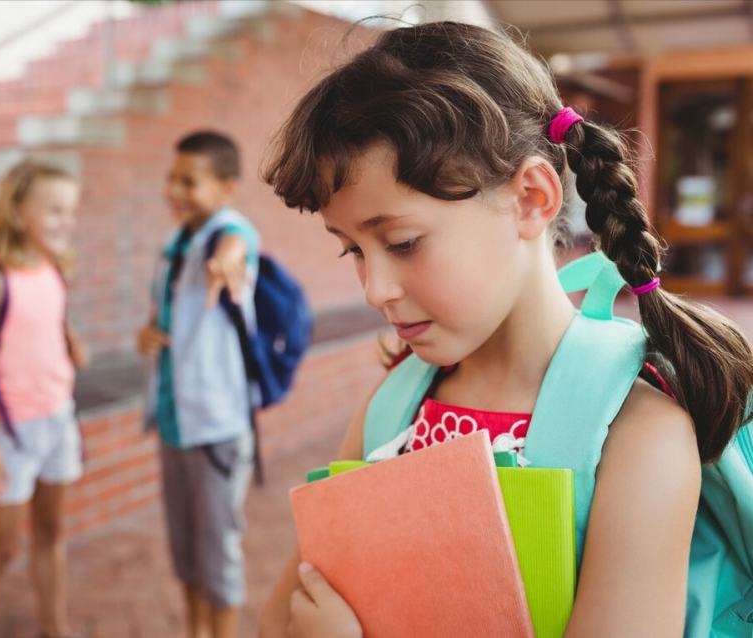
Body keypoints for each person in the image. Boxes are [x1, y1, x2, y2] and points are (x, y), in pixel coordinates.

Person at [257, 21, 753, 638]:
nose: (374, 289)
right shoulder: (394, 407)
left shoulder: (638, 436)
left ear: (532, 198)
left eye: (403, 242)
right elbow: (279, 615)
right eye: (352, 250)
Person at [137, 131, 260, 638]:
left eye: (190, 181)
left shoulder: (230, 231)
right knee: (185, 552)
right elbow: (164, 314)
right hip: (172, 424)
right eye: (172, 177)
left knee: (218, 556)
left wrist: (227, 263)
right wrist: (148, 333)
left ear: (228, 186)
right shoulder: (176, 240)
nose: (176, 189)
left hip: (215, 428)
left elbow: (238, 247)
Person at [0, 161, 89, 638]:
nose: (65, 221)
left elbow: (50, 319)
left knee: (51, 534)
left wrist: (71, 341)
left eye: (70, 211)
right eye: (54, 210)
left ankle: (54, 629)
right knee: (1, 549)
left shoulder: (53, 265)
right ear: (17, 213)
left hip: (58, 419)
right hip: (12, 432)